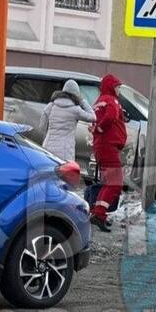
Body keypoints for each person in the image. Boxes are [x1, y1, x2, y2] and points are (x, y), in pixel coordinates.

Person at [90, 74, 127, 232]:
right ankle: (99, 214)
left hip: (102, 146)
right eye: (117, 87)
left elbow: (95, 120)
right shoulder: (112, 100)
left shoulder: (99, 101)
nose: (119, 90)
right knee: (115, 184)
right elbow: (111, 117)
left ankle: (99, 214)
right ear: (112, 87)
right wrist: (100, 128)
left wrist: (97, 129)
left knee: (109, 184)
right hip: (109, 146)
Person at [39, 79, 95, 163]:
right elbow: (93, 117)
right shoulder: (76, 110)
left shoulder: (51, 106)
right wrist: (83, 101)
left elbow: (42, 126)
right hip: (66, 151)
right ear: (76, 94)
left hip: (48, 147)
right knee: (64, 174)